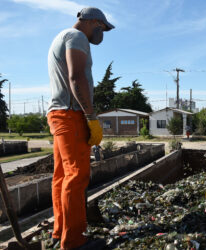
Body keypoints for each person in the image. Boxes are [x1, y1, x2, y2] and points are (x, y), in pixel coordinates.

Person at [46, 7, 114, 249]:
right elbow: (76, 78)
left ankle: (60, 233)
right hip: (71, 114)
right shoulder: (77, 38)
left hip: (58, 114)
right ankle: (74, 241)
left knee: (62, 177)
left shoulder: (60, 36)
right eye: (103, 28)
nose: (102, 34)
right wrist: (91, 116)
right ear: (93, 22)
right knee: (77, 177)